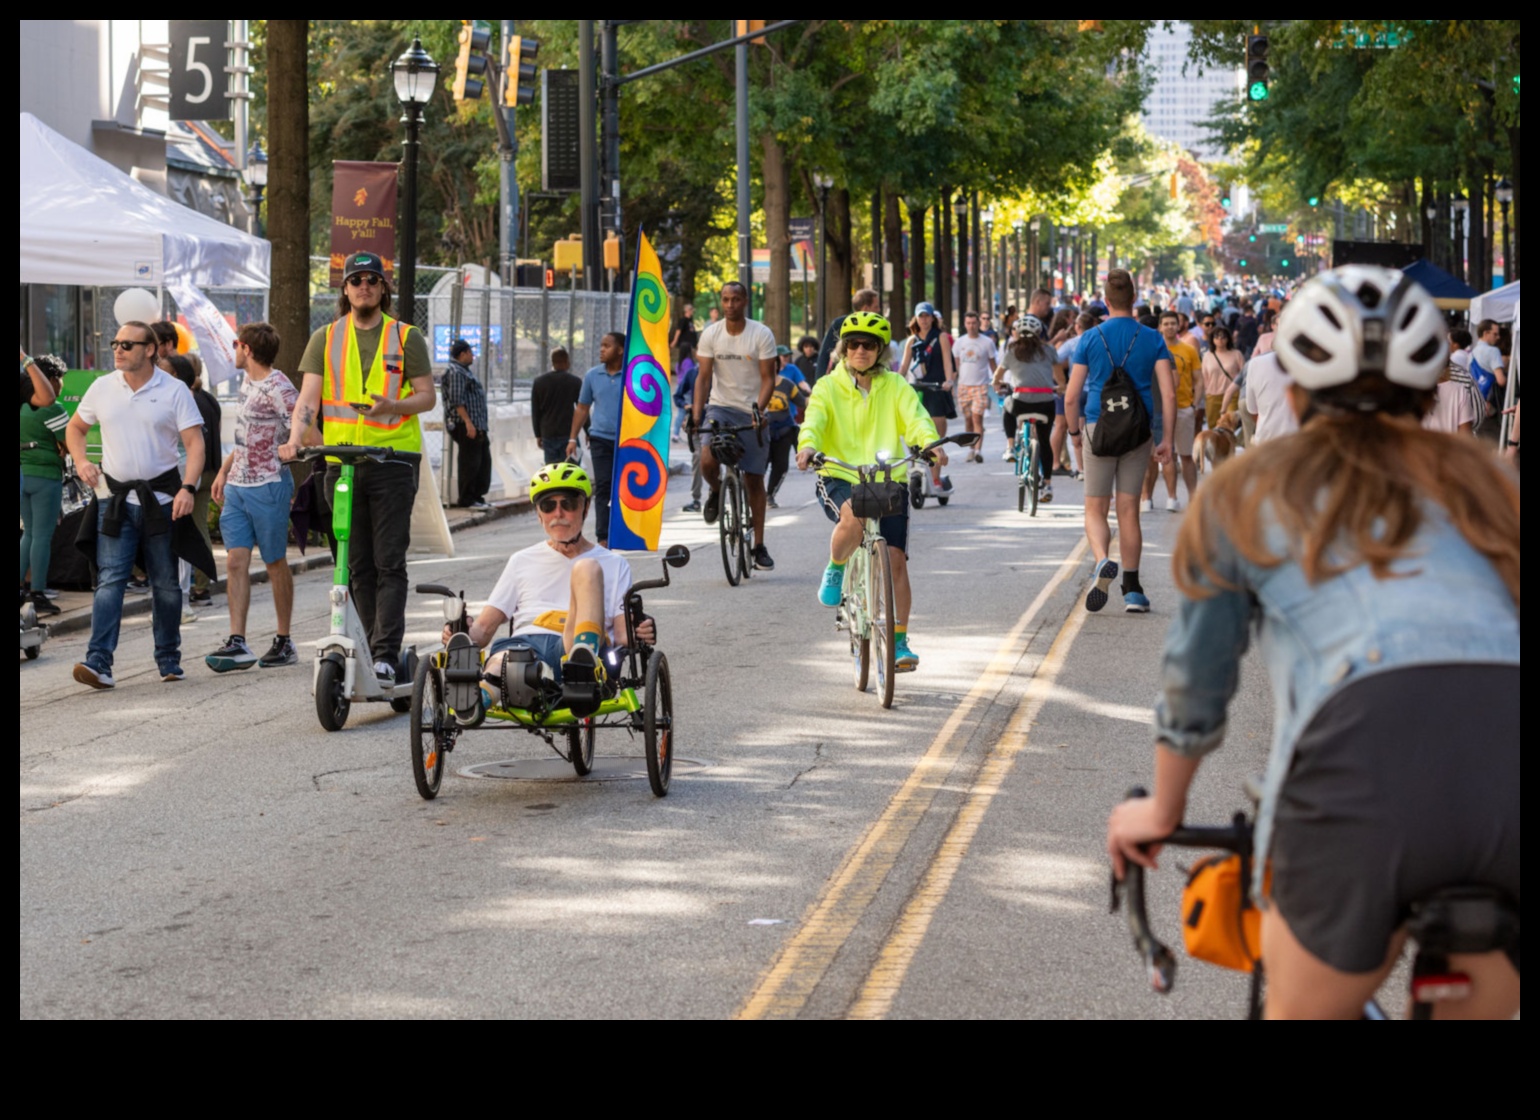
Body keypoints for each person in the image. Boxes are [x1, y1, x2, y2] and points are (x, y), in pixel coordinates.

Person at [1107, 265, 1519, 1020]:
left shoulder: (1250, 491)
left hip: (1362, 772)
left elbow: (1197, 683)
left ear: (1291, 390)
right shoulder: (1492, 487)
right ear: (1432, 391)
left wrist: (1163, 810)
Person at [280, 250, 435, 685]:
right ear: (345, 289)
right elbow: (307, 401)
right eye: (356, 280)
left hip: (393, 463)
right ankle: (368, 644)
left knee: (389, 562)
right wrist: (295, 440)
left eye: (372, 279)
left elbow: (427, 396)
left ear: (383, 287)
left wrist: (394, 405)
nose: (363, 286)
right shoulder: (325, 338)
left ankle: (385, 654)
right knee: (354, 565)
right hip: (341, 464)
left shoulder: (407, 337)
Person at [66, 320, 211, 689]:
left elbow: (195, 445)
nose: (117, 349)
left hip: (162, 501)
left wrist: (188, 488)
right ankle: (99, 661)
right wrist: (82, 461)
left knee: (165, 584)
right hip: (115, 502)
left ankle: (168, 658)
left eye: (127, 344)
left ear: (149, 349)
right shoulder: (102, 387)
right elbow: (75, 428)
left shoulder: (174, 390)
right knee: (110, 581)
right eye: (115, 342)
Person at [797, 312, 939, 671]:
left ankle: (900, 641)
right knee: (854, 517)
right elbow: (813, 420)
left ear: (880, 351)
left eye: (870, 345)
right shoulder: (828, 386)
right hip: (840, 473)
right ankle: (835, 565)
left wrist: (930, 444)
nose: (861, 350)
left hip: (887, 476)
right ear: (844, 349)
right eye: (854, 344)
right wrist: (807, 446)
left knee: (895, 560)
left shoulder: (895, 385)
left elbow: (917, 417)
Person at [450, 462, 652, 707]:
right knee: (503, 660)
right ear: (539, 513)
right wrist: (459, 631)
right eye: (548, 506)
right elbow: (482, 631)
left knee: (586, 567)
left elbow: (622, 635)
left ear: (585, 508)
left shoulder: (614, 563)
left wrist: (640, 630)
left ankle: (582, 663)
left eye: (568, 504)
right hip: (525, 648)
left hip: (572, 645)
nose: (558, 513)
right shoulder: (521, 560)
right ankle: (476, 703)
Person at [1065, 268, 1175, 615]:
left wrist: (1073, 434)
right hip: (1137, 430)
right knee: (1129, 510)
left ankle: (1101, 560)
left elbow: (1071, 397)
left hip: (1099, 427)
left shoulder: (1090, 338)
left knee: (1095, 508)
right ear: (1135, 297)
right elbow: (1168, 394)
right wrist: (1166, 438)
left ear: (1106, 299)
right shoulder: (1152, 337)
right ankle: (1133, 589)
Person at [206, 322, 300, 672]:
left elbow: (307, 430)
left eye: (235, 345)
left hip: (269, 485)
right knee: (234, 562)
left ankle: (284, 640)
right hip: (238, 486)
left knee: (275, 563)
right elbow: (246, 436)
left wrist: (294, 448)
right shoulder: (247, 381)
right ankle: (237, 641)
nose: (233, 351)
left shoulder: (280, 387)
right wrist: (223, 471)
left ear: (246, 348)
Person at [693, 281, 777, 570]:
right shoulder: (711, 335)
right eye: (726, 299)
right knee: (706, 459)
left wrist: (759, 410)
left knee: (754, 479)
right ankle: (716, 491)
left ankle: (758, 546)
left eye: (736, 299)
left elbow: (769, 378)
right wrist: (695, 415)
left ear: (745, 301)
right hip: (720, 408)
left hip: (751, 410)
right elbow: (703, 378)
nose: (730, 305)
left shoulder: (761, 334)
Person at [19, 354, 69, 616]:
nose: (60, 386)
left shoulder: (23, 404)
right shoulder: (53, 408)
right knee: (42, 535)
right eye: (59, 379)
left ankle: (21, 588)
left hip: (23, 474)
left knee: (28, 533)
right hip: (45, 476)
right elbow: (69, 443)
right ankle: (37, 591)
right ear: (50, 379)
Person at [567, 331, 627, 548]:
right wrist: (572, 438)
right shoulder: (592, 376)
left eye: (607, 346)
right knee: (603, 486)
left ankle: (626, 531)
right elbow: (582, 408)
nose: (602, 349)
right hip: (600, 439)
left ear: (620, 349)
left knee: (624, 488)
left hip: (628, 441)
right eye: (601, 345)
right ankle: (603, 537)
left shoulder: (633, 375)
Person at [992, 315, 1057, 501]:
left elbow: (998, 376)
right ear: (1039, 333)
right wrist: (1060, 387)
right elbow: (1059, 378)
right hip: (1046, 403)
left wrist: (996, 383)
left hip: (1021, 402)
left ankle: (1011, 447)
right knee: (1045, 440)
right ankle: (1048, 484)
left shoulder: (1011, 351)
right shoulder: (1049, 350)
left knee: (1007, 406)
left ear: (1018, 333)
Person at [899, 301, 956, 492]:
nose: (924, 320)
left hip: (936, 389)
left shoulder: (941, 337)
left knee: (937, 437)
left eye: (927, 316)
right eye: (920, 316)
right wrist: (895, 383)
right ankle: (917, 470)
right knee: (912, 435)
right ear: (916, 318)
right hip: (916, 390)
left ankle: (936, 478)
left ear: (933, 318)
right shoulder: (911, 340)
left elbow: (948, 362)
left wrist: (949, 381)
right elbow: (903, 367)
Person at [1154, 309, 1200, 510]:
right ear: (1160, 327)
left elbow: (1199, 379)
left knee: (1186, 455)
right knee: (1165, 455)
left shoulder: (1189, 350)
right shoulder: (1154, 349)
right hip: (1159, 410)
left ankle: (1194, 497)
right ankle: (1168, 497)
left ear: (1179, 326)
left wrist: (1194, 404)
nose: (1170, 327)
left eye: (1174, 323)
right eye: (1166, 324)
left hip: (1183, 408)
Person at [441, 338, 492, 511]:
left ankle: (477, 496)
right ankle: (467, 498)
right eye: (470, 352)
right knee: (470, 462)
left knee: (482, 461)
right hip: (464, 424)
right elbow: (457, 400)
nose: (472, 356)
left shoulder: (464, 371)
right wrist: (468, 423)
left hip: (477, 425)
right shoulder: (456, 372)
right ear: (462, 354)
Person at [765, 345, 809, 508]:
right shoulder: (756, 384)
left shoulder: (787, 384)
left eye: (774, 363)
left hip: (784, 430)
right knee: (759, 466)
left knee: (781, 466)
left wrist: (817, 399)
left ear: (777, 365)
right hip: (762, 432)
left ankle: (769, 495)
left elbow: (802, 401)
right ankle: (754, 494)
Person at [952, 311, 998, 461]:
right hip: (963, 385)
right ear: (965, 325)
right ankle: (970, 449)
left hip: (981, 385)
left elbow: (993, 365)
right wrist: (952, 384)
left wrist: (997, 382)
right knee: (968, 420)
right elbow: (956, 366)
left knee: (978, 418)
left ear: (979, 324)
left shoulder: (987, 342)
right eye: (968, 323)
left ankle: (978, 451)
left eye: (974, 323)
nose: (971, 326)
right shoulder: (959, 342)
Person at [816, 288, 881, 378]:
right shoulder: (841, 323)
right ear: (866, 308)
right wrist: (819, 382)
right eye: (876, 307)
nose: (879, 310)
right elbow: (825, 355)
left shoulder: (878, 326)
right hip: (842, 379)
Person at [531, 348, 580, 466]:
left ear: (552, 362)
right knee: (570, 468)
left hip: (548, 433)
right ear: (567, 362)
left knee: (552, 469)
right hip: (568, 432)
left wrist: (538, 434)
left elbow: (535, 411)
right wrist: (588, 432)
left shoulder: (539, 382)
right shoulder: (575, 382)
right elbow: (581, 409)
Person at [1243, 347, 1299, 443]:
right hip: (1297, 440)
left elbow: (1253, 411)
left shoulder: (1255, 364)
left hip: (1266, 439)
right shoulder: (1309, 362)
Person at [1201, 324, 1244, 432]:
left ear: (1228, 339)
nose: (1220, 340)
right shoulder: (1207, 355)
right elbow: (1204, 376)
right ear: (1212, 339)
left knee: (1229, 426)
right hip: (1213, 395)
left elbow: (1244, 374)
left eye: (1223, 337)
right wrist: (1206, 392)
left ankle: (1230, 447)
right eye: (1217, 337)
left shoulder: (1236, 354)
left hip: (1232, 395)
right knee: (1213, 427)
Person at [669, 301, 699, 370]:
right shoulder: (683, 320)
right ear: (687, 310)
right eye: (691, 310)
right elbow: (678, 331)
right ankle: (682, 370)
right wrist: (674, 341)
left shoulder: (690, 321)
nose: (692, 311)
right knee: (686, 358)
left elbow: (693, 333)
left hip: (691, 344)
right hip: (685, 344)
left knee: (691, 359)